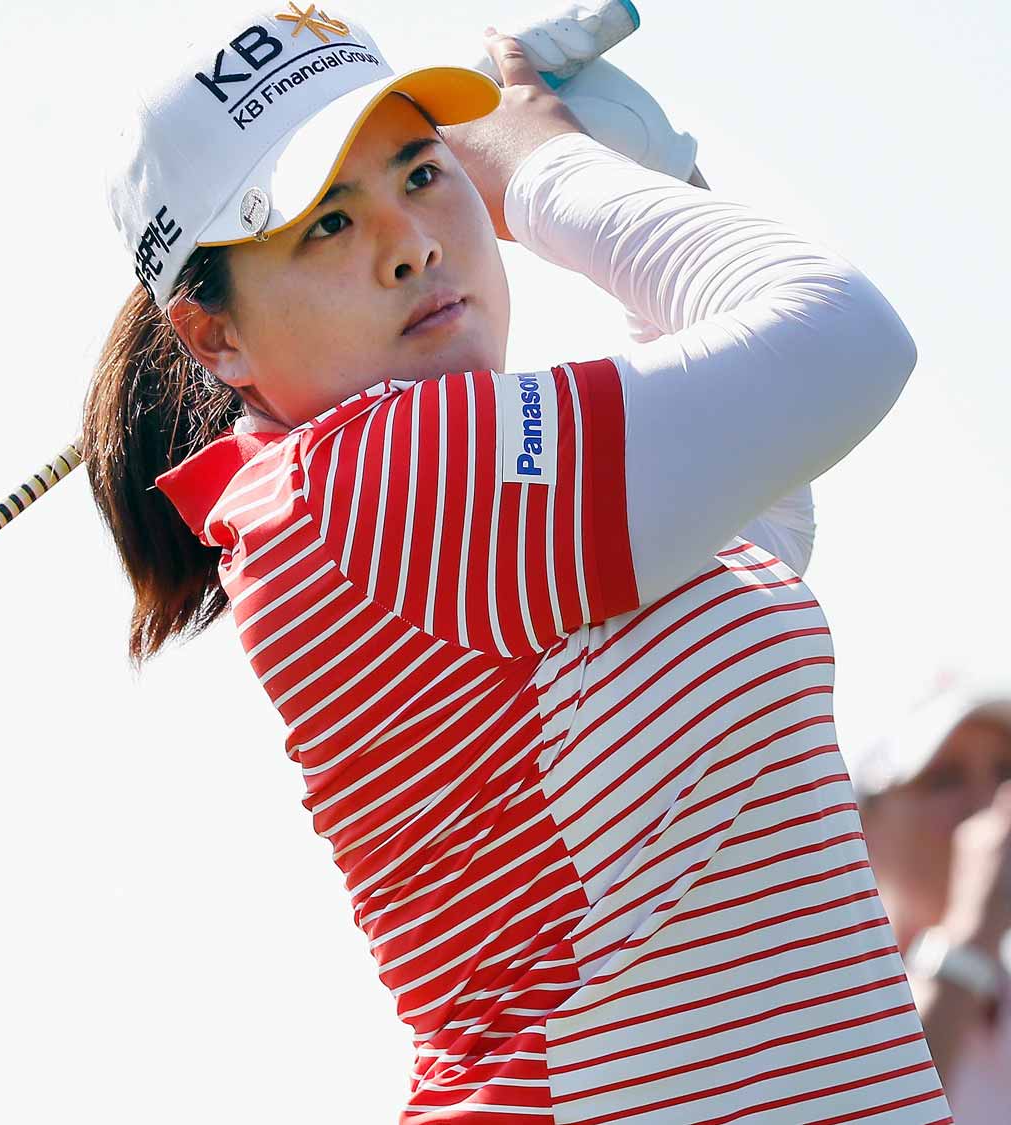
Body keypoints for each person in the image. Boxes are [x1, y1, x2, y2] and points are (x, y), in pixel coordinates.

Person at [82, 6, 947, 1122]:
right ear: (214, 339)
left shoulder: (404, 491)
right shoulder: (369, 479)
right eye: (324, 224)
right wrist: (545, 168)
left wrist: (660, 184)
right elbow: (845, 341)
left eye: (422, 172)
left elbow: (757, 527)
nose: (411, 240)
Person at [851, 672, 1011, 1119]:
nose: (988, 805)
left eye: (1006, 773)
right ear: (863, 824)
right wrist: (968, 936)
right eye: (944, 779)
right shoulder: (824, 1001)